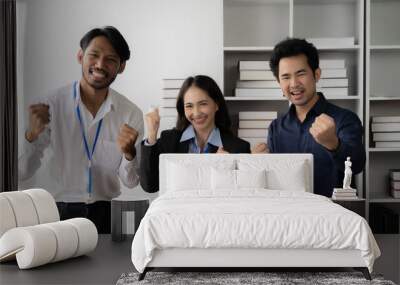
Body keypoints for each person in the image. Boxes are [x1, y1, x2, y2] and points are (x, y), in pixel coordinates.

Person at [18, 26, 144, 233]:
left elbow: (130, 182)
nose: (100, 64)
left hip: (105, 214)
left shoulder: (130, 114)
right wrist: (31, 136)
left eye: (111, 59)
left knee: (106, 266)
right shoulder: (48, 105)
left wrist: (130, 154)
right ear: (80, 56)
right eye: (94, 55)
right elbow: (22, 172)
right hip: (55, 212)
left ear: (121, 67)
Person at [254, 38, 365, 197]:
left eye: (301, 73)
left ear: (316, 74)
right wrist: (257, 164)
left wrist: (334, 144)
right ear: (279, 82)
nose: (294, 84)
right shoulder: (276, 128)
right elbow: (274, 183)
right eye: (285, 77)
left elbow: (358, 166)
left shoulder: (344, 119)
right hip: (289, 215)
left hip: (332, 216)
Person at [140, 75, 251, 193]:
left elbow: (242, 195)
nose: (196, 113)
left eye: (203, 104)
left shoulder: (239, 147)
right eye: (189, 106)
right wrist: (151, 135)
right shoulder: (169, 139)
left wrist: (227, 171)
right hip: (179, 209)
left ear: (216, 104)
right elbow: (150, 185)